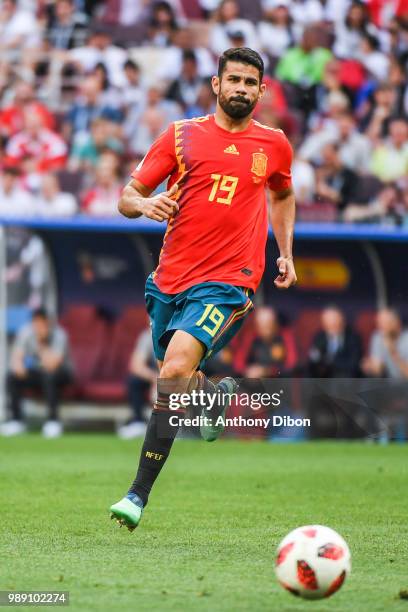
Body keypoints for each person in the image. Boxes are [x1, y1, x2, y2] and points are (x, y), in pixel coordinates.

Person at [110, 47, 297, 531]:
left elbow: (281, 192)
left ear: (262, 90)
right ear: (216, 85)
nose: (240, 88)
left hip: (231, 281)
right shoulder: (180, 136)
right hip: (170, 280)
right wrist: (144, 204)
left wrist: (286, 251)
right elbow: (126, 196)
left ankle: (137, 494)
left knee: (172, 368)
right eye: (232, 79)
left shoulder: (274, 144)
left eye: (249, 82)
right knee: (179, 371)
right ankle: (211, 398)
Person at [1, 308, 74, 439]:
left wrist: (41, 343)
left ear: (48, 322)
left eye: (42, 324)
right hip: (39, 371)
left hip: (62, 373)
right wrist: (19, 366)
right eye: (36, 323)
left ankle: (53, 421)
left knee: (50, 376)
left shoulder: (59, 334)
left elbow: (52, 364)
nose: (38, 327)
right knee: (11, 377)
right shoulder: (26, 331)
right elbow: (17, 356)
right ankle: (16, 420)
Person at [117, 329, 157, 440]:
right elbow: (136, 365)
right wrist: (155, 379)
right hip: (156, 373)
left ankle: (177, 426)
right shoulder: (147, 336)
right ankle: (138, 422)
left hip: (180, 373)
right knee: (134, 380)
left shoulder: (183, 332)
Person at [308, 306, 362, 378]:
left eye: (334, 322)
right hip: (324, 375)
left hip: (344, 375)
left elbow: (353, 363)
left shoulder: (353, 337)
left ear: (342, 322)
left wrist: (330, 361)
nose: (331, 326)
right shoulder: (319, 337)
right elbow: (314, 357)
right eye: (328, 323)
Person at [245, 306, 292, 378]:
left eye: (269, 324)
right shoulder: (253, 339)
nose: (266, 329)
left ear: (275, 323)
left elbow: (292, 366)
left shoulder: (285, 337)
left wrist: (267, 371)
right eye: (262, 325)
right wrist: (249, 370)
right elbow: (239, 364)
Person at [362, 308, 408, 379]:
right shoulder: (378, 336)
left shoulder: (406, 339)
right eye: (379, 323)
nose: (380, 327)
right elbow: (378, 370)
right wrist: (370, 366)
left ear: (396, 323)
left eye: (384, 323)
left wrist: (393, 353)